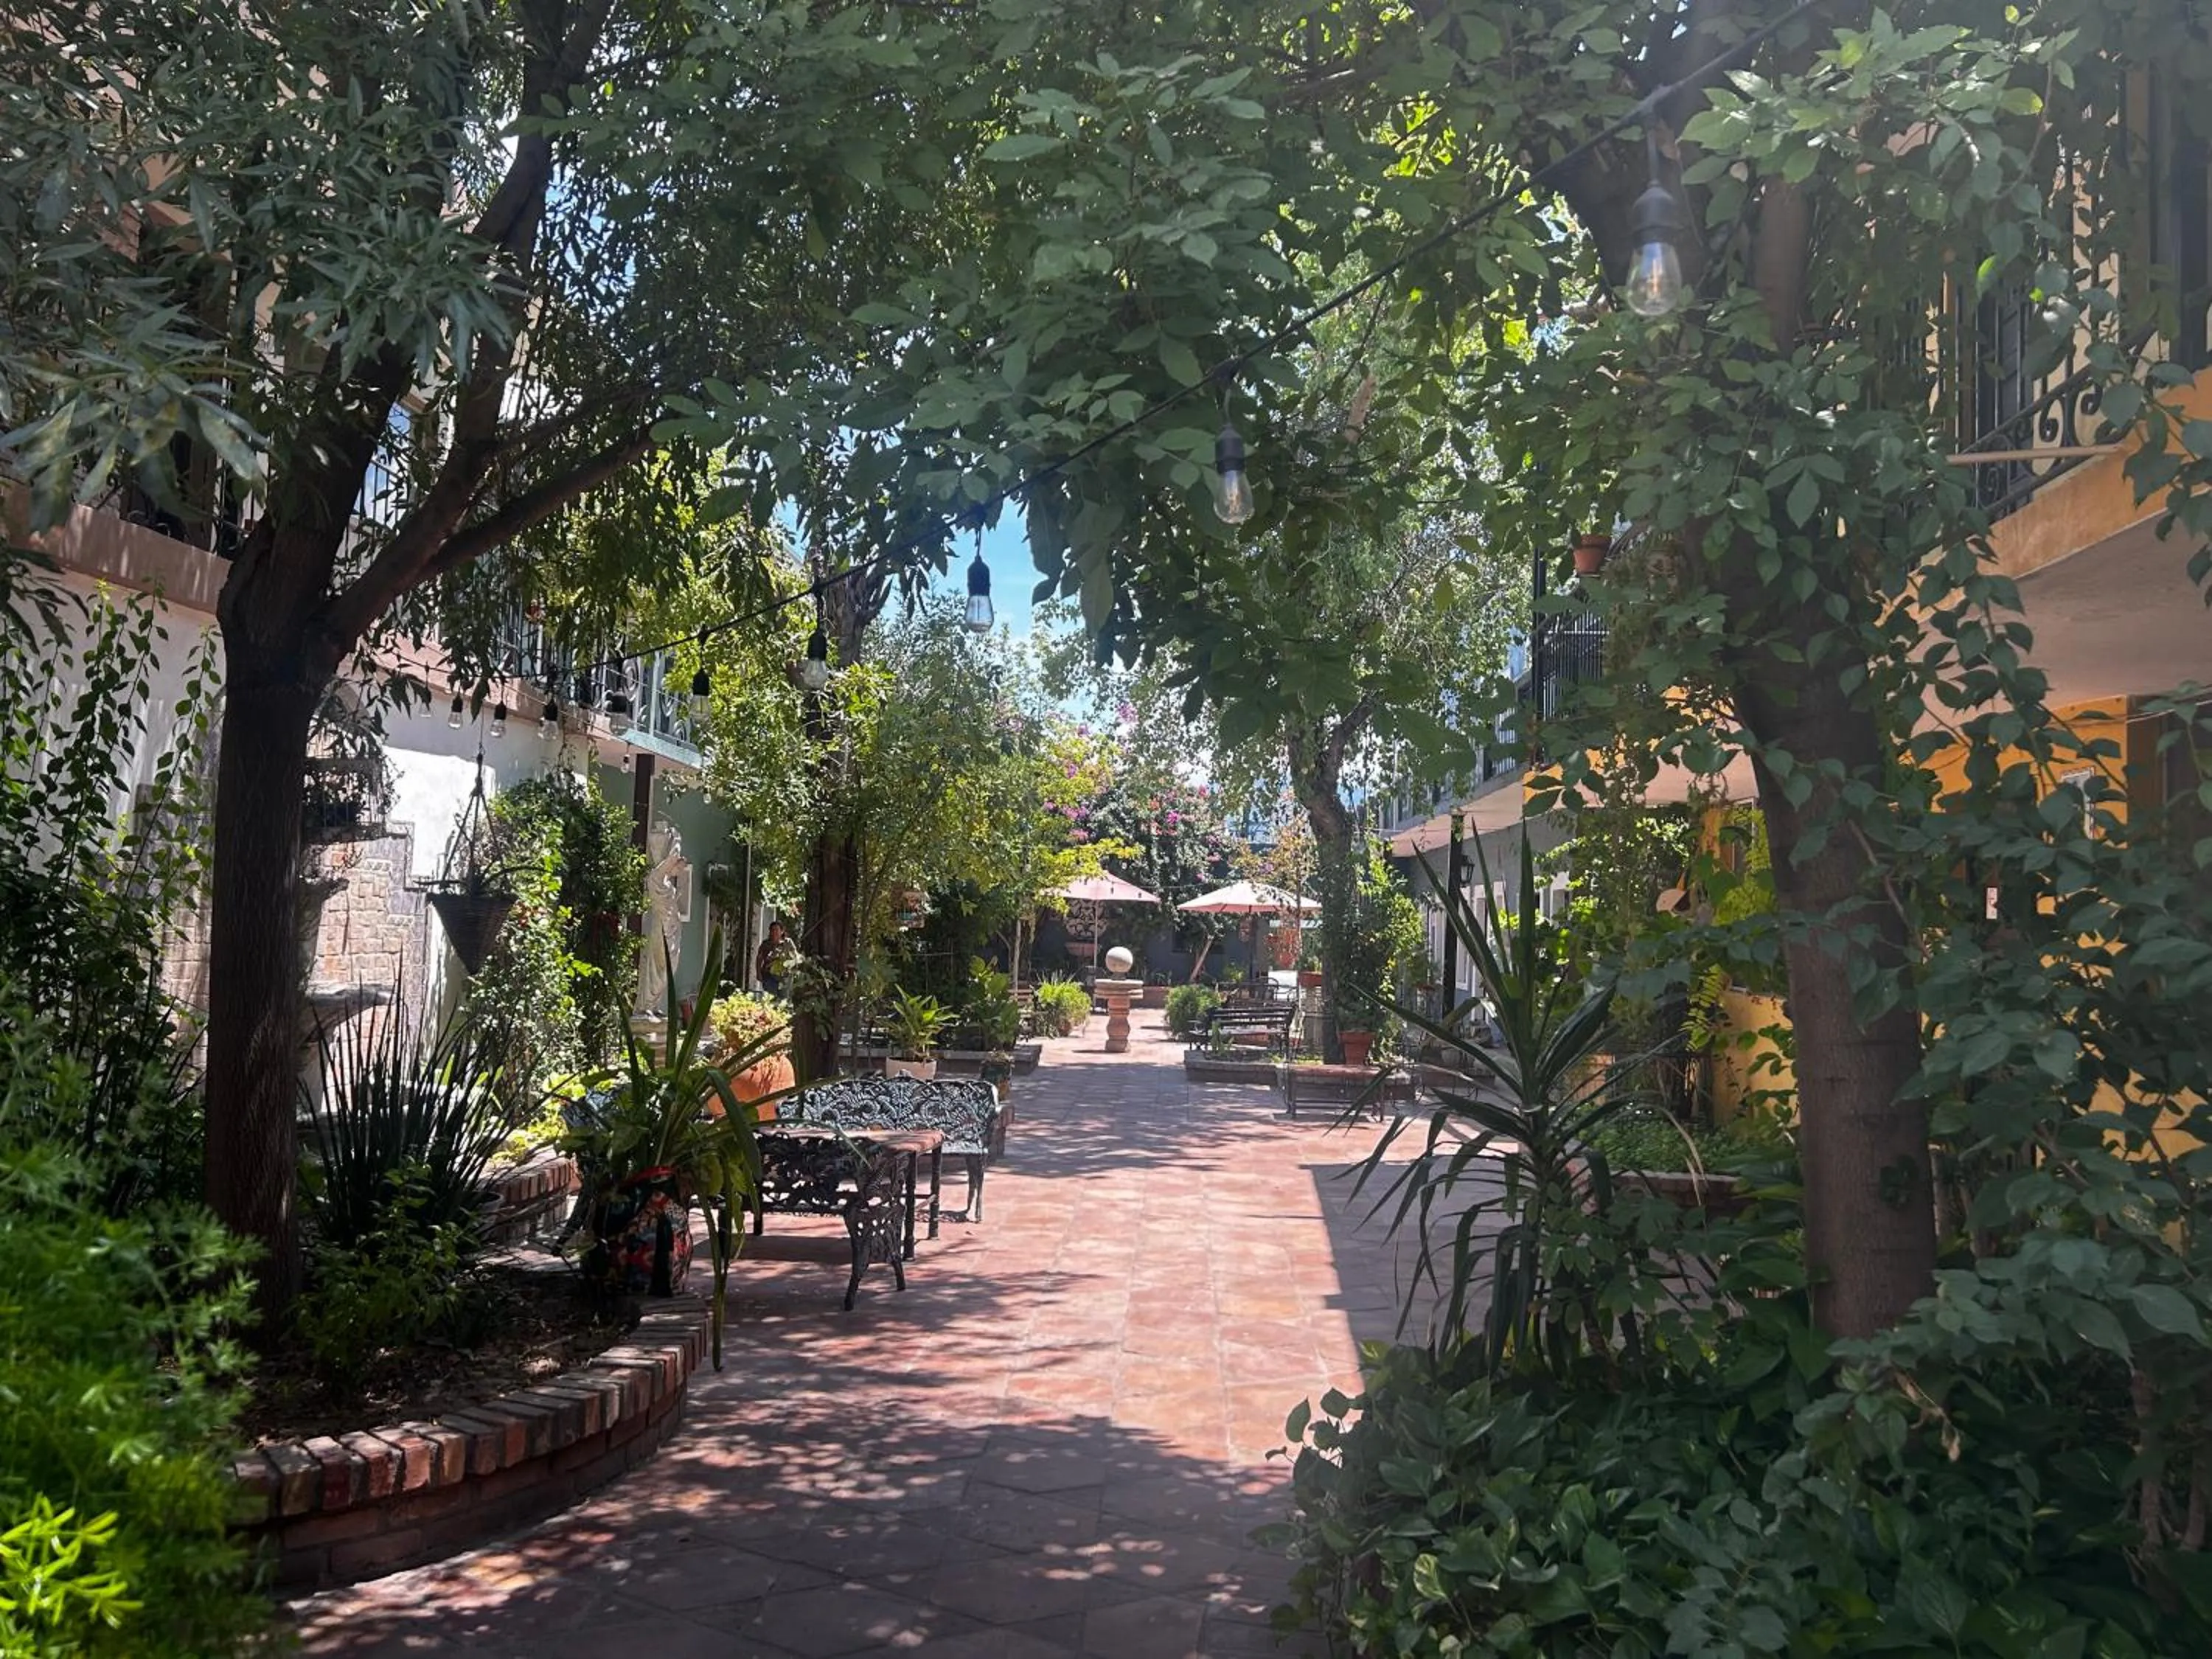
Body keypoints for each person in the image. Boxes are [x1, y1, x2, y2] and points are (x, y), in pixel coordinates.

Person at [754, 919, 791, 995]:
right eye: (772, 930)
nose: (774, 932)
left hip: (784, 977)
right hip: (769, 976)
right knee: (771, 999)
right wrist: (758, 973)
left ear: (782, 931)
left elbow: (794, 956)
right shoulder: (766, 944)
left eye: (777, 930)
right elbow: (759, 958)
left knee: (783, 1001)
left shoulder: (787, 943)